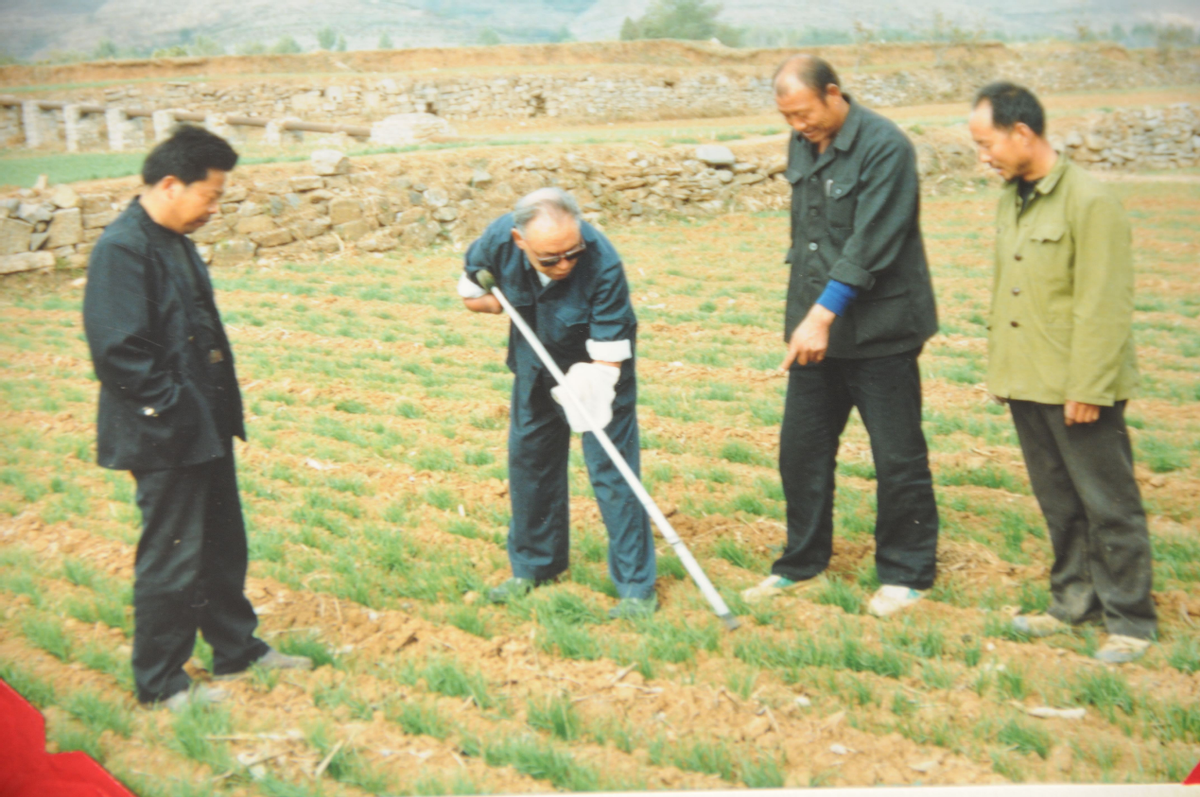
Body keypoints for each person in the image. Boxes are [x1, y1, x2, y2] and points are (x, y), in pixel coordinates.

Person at [82, 125, 311, 711]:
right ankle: (160, 685)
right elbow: (119, 354)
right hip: (164, 433)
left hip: (202, 426)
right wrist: (178, 412)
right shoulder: (123, 249)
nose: (214, 207)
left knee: (221, 546)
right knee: (173, 558)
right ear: (169, 183)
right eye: (209, 195)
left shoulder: (174, 239)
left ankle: (237, 652)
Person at [741, 55, 940, 617]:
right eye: (787, 118)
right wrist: (807, 316)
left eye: (804, 113)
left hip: (881, 330)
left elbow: (871, 242)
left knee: (897, 456)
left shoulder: (885, 147)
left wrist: (822, 313)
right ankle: (800, 563)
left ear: (833, 93)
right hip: (816, 331)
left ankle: (906, 573)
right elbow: (807, 239)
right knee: (800, 452)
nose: (797, 127)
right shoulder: (804, 143)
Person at [968, 83, 1156, 663]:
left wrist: (1089, 388)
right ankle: (1074, 603)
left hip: (1078, 386)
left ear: (1022, 133)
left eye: (987, 143)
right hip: (1029, 381)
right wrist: (1002, 372)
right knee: (1060, 503)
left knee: (1108, 503)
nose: (984, 156)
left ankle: (1130, 621)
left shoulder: (1089, 201)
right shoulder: (1013, 198)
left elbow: (1104, 304)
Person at [457, 188, 657, 619]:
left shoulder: (603, 263)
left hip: (598, 367)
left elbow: (608, 351)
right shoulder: (495, 241)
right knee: (531, 463)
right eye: (550, 259)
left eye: (572, 253)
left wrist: (589, 386)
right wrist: (494, 305)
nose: (564, 265)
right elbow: (470, 289)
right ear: (519, 241)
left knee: (612, 471)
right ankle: (535, 566)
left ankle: (636, 586)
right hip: (534, 361)